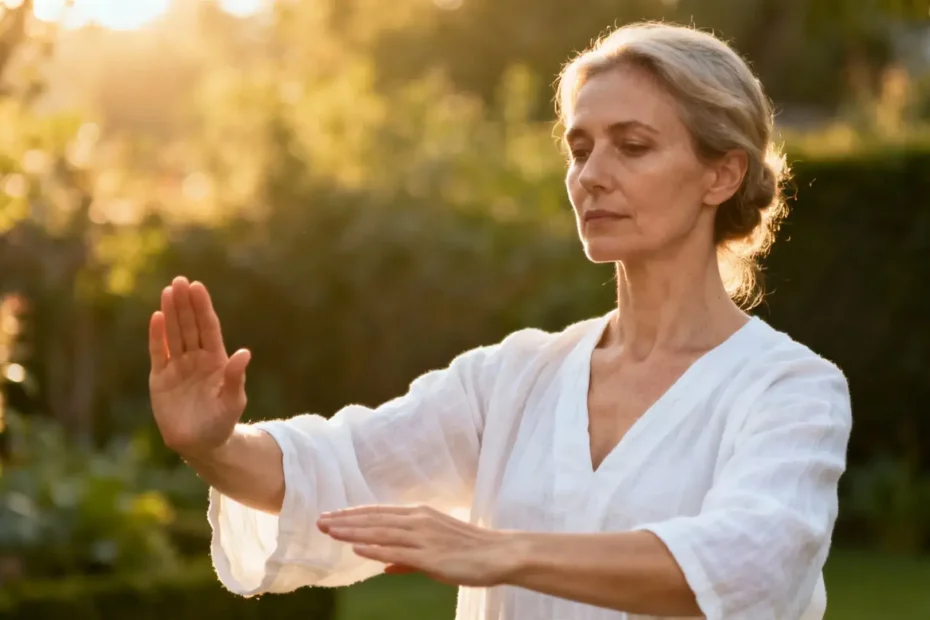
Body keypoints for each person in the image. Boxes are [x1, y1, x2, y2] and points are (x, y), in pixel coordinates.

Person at [148, 21, 852, 620]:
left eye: (632, 146)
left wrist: (500, 550)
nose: (591, 175)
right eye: (580, 149)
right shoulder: (514, 378)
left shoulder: (789, 390)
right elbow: (339, 469)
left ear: (721, 175)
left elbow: (748, 563)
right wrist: (213, 446)